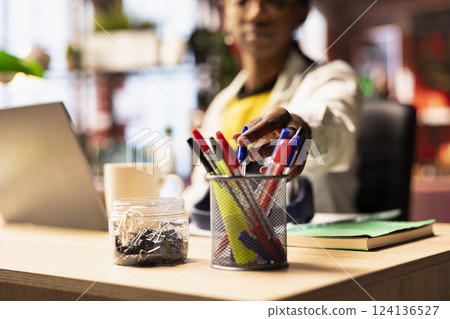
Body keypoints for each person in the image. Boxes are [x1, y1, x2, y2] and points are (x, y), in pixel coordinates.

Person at [186, 0, 362, 213]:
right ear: (225, 16)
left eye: (275, 1)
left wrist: (303, 130)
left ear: (301, 12)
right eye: (241, 2)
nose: (256, 14)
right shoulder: (220, 105)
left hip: (316, 245)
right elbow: (200, 194)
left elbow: (337, 131)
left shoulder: (332, 80)